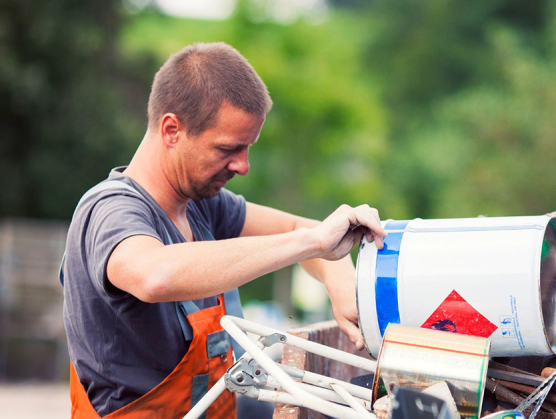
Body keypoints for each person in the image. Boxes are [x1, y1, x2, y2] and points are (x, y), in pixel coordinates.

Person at [61, 42, 386, 419]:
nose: (243, 166)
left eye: (248, 148)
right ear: (171, 130)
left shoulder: (204, 205)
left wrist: (341, 282)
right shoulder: (110, 211)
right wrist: (310, 244)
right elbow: (156, 275)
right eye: (228, 148)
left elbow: (304, 227)